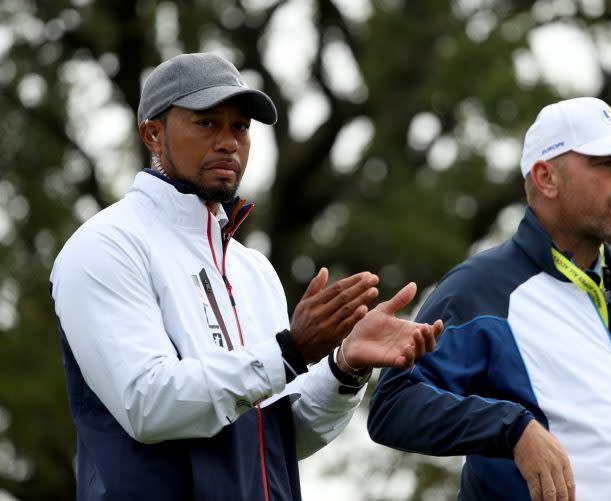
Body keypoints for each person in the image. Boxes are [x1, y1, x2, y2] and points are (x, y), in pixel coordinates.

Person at [50, 52, 442, 500]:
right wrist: (290, 351)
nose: (228, 142)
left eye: (239, 127)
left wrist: (344, 367)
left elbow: (279, 440)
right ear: (152, 133)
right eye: (206, 123)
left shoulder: (252, 268)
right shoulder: (105, 245)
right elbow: (148, 405)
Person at [367, 96, 611, 500]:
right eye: (606, 163)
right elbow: (393, 406)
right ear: (546, 177)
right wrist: (513, 428)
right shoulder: (482, 288)